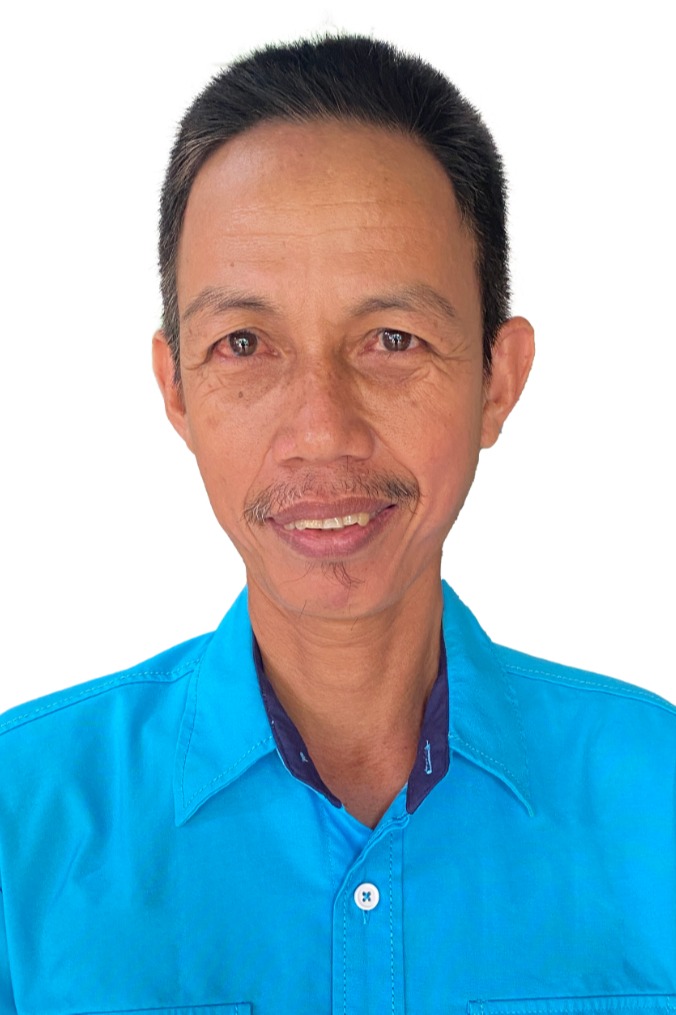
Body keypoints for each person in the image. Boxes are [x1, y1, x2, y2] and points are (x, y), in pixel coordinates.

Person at [0, 34, 674, 1015]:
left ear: (498, 378)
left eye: (392, 339)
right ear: (176, 388)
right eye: (244, 344)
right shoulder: (20, 821)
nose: (322, 430)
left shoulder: (658, 798)